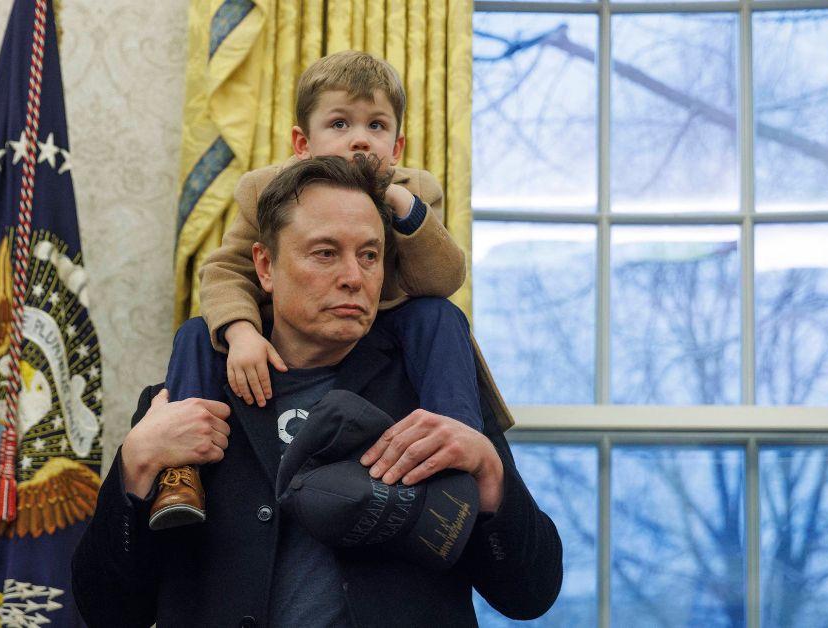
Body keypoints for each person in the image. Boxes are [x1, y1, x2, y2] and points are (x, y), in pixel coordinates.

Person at [73, 157, 562, 626]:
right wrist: (134, 464)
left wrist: (491, 474)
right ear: (265, 267)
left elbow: (529, 593)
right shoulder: (185, 400)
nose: (354, 277)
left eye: (369, 255)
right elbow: (110, 611)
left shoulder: (434, 391)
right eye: (326, 253)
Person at [183, 50, 481, 429]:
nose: (360, 140)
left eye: (376, 126)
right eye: (340, 124)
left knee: (438, 315)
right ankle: (182, 466)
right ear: (303, 143)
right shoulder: (263, 189)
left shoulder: (416, 190)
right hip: (293, 328)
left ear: (397, 147)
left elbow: (442, 279)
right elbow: (226, 270)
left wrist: (402, 203)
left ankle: (455, 432)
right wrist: (241, 332)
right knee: (196, 333)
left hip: (381, 330)